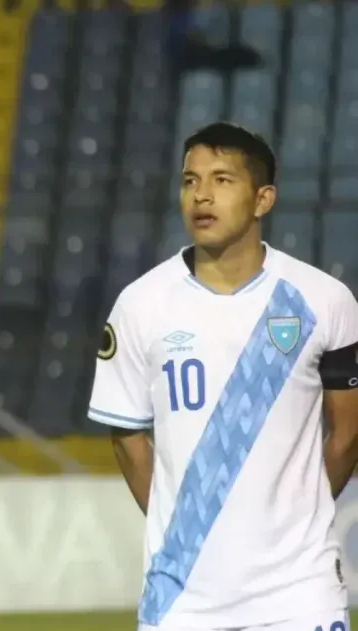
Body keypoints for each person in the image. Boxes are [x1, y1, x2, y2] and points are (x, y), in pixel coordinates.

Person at [88, 122, 358, 631]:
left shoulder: (324, 301)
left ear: (263, 199)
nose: (201, 195)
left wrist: (299, 513)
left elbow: (347, 433)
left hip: (301, 590)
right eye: (189, 181)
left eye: (222, 180)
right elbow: (126, 437)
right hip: (182, 594)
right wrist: (186, 523)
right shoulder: (140, 305)